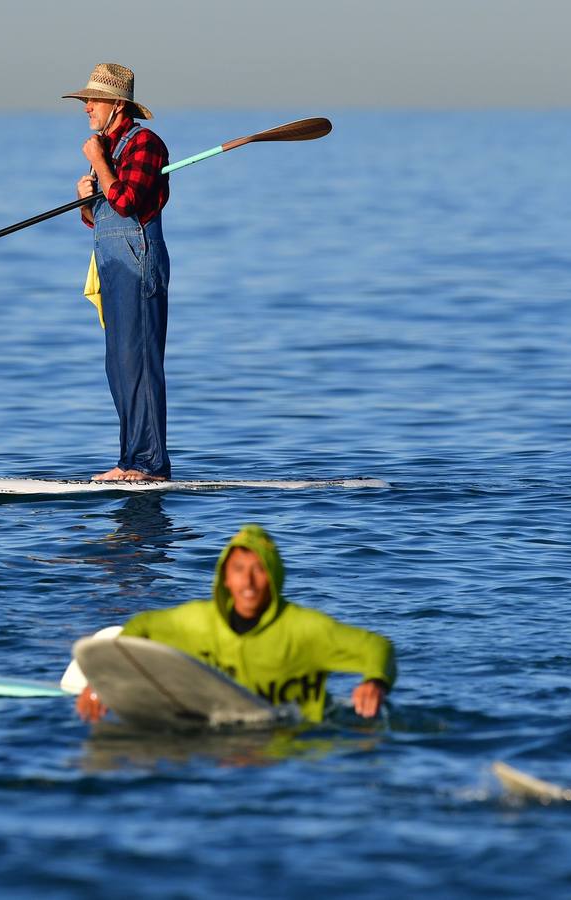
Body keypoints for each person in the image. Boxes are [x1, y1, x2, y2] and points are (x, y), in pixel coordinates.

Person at [75, 524, 396, 723]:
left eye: (259, 570)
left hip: (291, 742)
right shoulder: (198, 622)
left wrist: (375, 682)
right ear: (225, 577)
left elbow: (376, 647)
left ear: (274, 578)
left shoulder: (303, 629)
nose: (249, 581)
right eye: (239, 569)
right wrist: (105, 683)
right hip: (216, 735)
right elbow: (140, 628)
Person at [63, 62, 173, 482]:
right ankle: (130, 460)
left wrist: (98, 162)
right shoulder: (106, 149)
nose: (86, 107)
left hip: (138, 261)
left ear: (115, 104)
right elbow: (100, 217)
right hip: (111, 264)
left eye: (92, 100)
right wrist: (84, 200)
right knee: (120, 364)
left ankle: (150, 464)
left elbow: (127, 202)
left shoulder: (146, 143)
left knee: (141, 361)